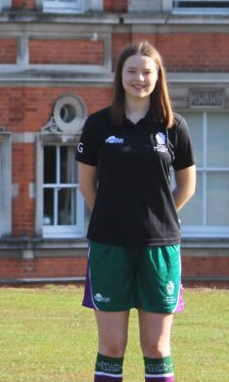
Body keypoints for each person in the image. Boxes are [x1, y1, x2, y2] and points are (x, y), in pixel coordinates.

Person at [76, 42, 195, 382]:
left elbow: (187, 185)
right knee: (112, 345)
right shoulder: (98, 125)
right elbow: (87, 184)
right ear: (120, 76)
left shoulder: (174, 126)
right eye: (132, 71)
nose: (139, 78)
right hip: (108, 244)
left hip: (159, 247)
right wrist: (114, 215)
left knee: (156, 346)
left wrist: (160, 216)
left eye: (146, 72)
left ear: (158, 78)